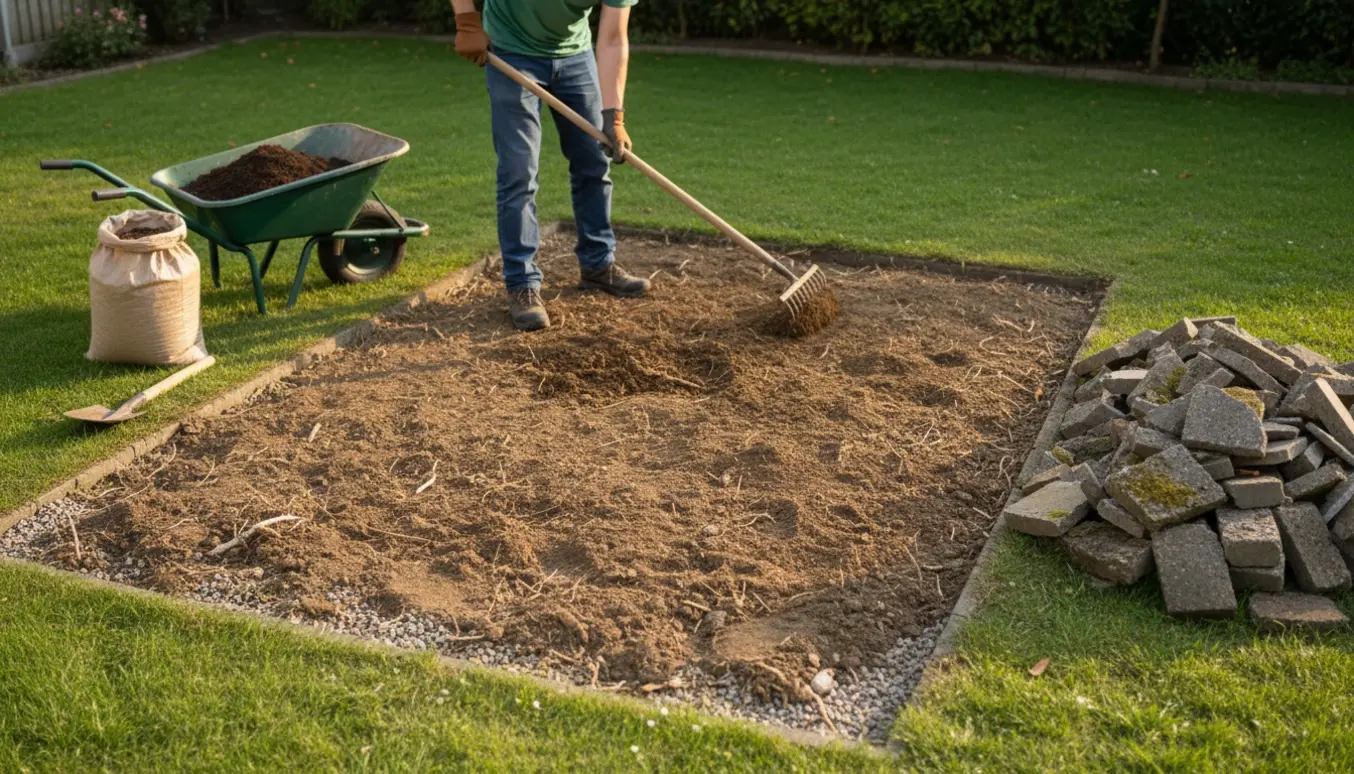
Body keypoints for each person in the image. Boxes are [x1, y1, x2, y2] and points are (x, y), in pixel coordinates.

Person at [451, 0, 651, 332]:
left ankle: (598, 264)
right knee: (519, 173)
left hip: (576, 55)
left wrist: (614, 117)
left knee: (593, 162)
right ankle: (522, 284)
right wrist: (467, 22)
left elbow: (614, 38)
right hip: (512, 50)